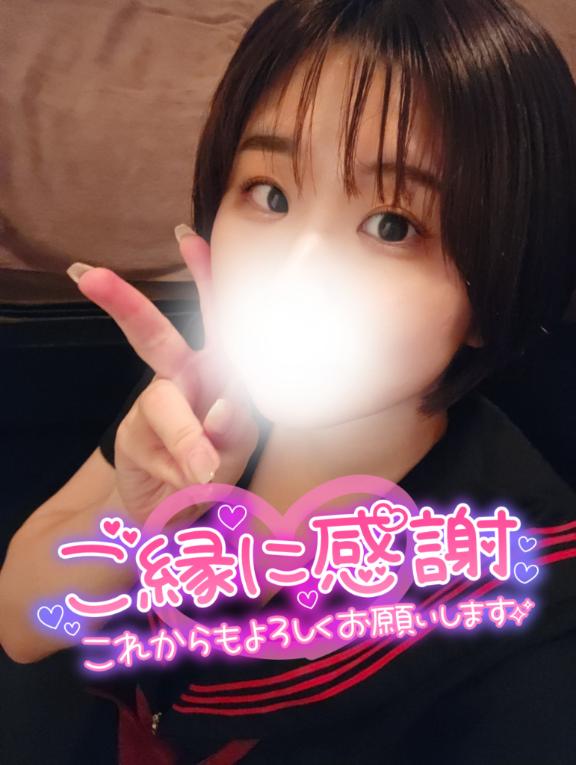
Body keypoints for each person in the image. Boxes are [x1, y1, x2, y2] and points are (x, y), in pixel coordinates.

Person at [1, 0, 576, 763]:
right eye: (270, 193)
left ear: (496, 283)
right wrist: (130, 520)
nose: (293, 272)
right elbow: (19, 624)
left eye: (393, 225)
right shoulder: (200, 389)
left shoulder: (521, 588)